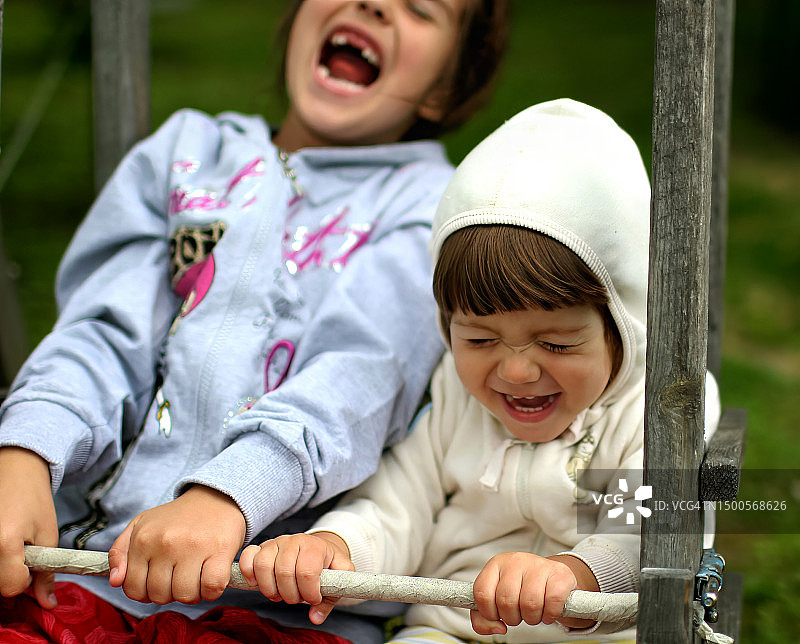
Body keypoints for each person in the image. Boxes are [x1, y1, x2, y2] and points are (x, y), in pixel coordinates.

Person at [0, 1, 509, 641]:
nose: (375, 4)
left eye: (419, 8)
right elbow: (100, 335)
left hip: (271, 613)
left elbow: (359, 379)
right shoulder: (185, 152)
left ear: (444, 87)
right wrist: (24, 453)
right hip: (77, 575)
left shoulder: (432, 209)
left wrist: (226, 497)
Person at [237, 99, 722, 643]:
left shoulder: (661, 406)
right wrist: (336, 548)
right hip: (452, 630)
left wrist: (572, 578)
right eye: (480, 339)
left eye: (557, 343)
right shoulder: (456, 396)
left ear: (623, 322)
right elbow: (400, 501)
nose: (515, 371)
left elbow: (647, 535)